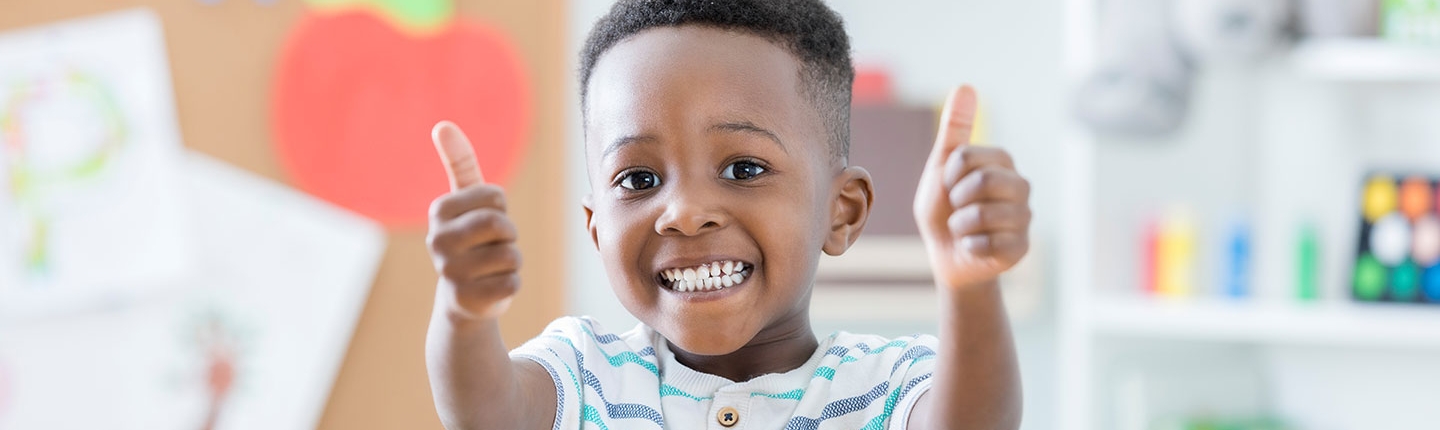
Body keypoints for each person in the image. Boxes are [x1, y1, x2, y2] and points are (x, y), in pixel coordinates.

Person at [424, 1, 1031, 428]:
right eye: (639, 179)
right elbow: (485, 412)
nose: (684, 213)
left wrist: (971, 287)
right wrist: (463, 312)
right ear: (596, 228)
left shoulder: (888, 385)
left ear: (840, 213)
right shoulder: (583, 374)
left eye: (744, 168)